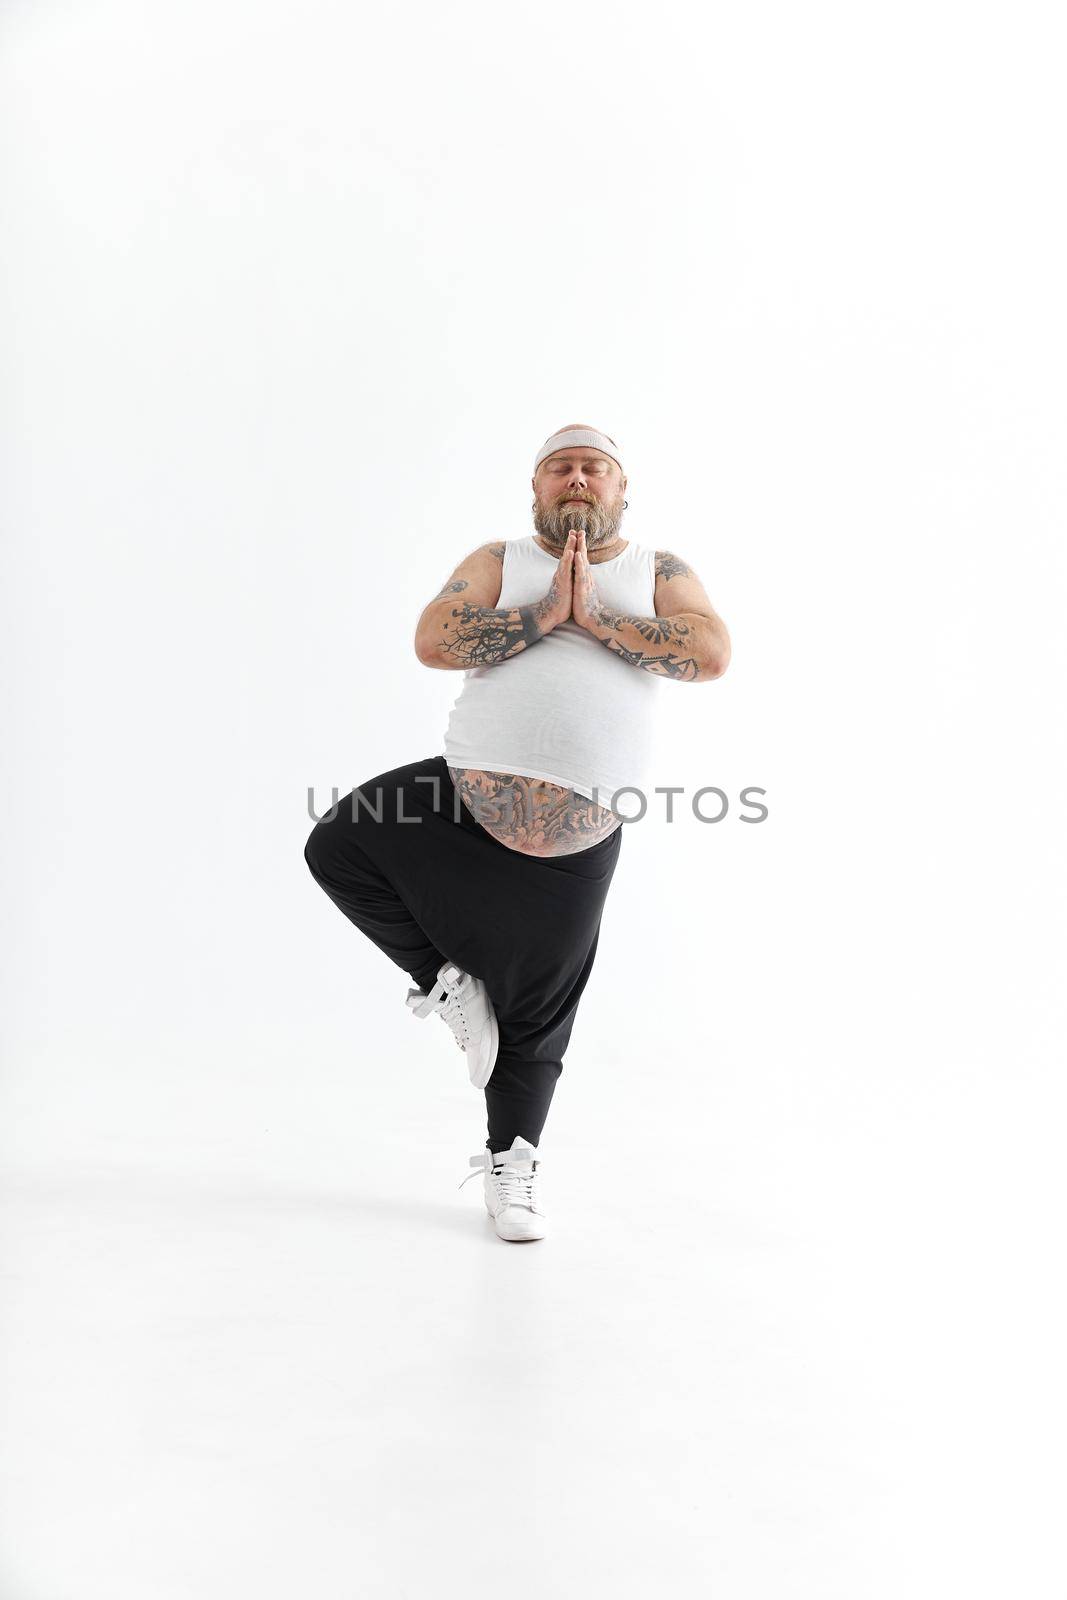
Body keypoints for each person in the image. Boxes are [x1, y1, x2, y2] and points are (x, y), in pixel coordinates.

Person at [303, 424, 731, 1242]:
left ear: (620, 490)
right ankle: (444, 981)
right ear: (536, 489)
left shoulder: (657, 570)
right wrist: (543, 614)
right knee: (339, 844)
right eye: (559, 467)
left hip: (579, 836)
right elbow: (434, 639)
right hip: (461, 798)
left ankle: (513, 1168)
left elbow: (710, 653)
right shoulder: (500, 560)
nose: (577, 478)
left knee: (536, 1023)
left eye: (593, 467)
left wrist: (596, 617)